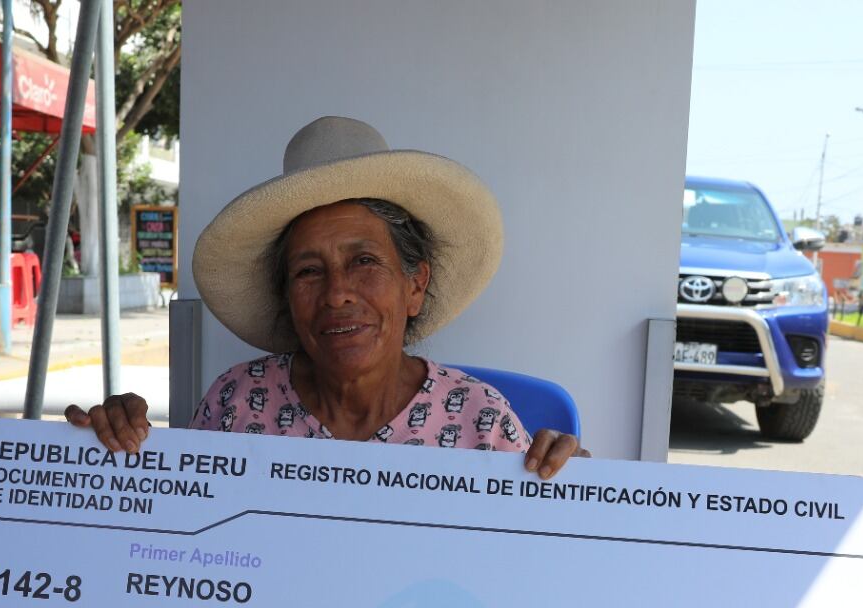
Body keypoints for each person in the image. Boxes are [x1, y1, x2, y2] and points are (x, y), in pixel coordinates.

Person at [67, 116, 584, 475]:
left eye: (364, 262)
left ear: (415, 285)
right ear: (288, 300)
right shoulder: (238, 405)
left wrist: (582, 496)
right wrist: (116, 451)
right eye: (309, 271)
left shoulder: (481, 423)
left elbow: (537, 577)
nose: (337, 294)